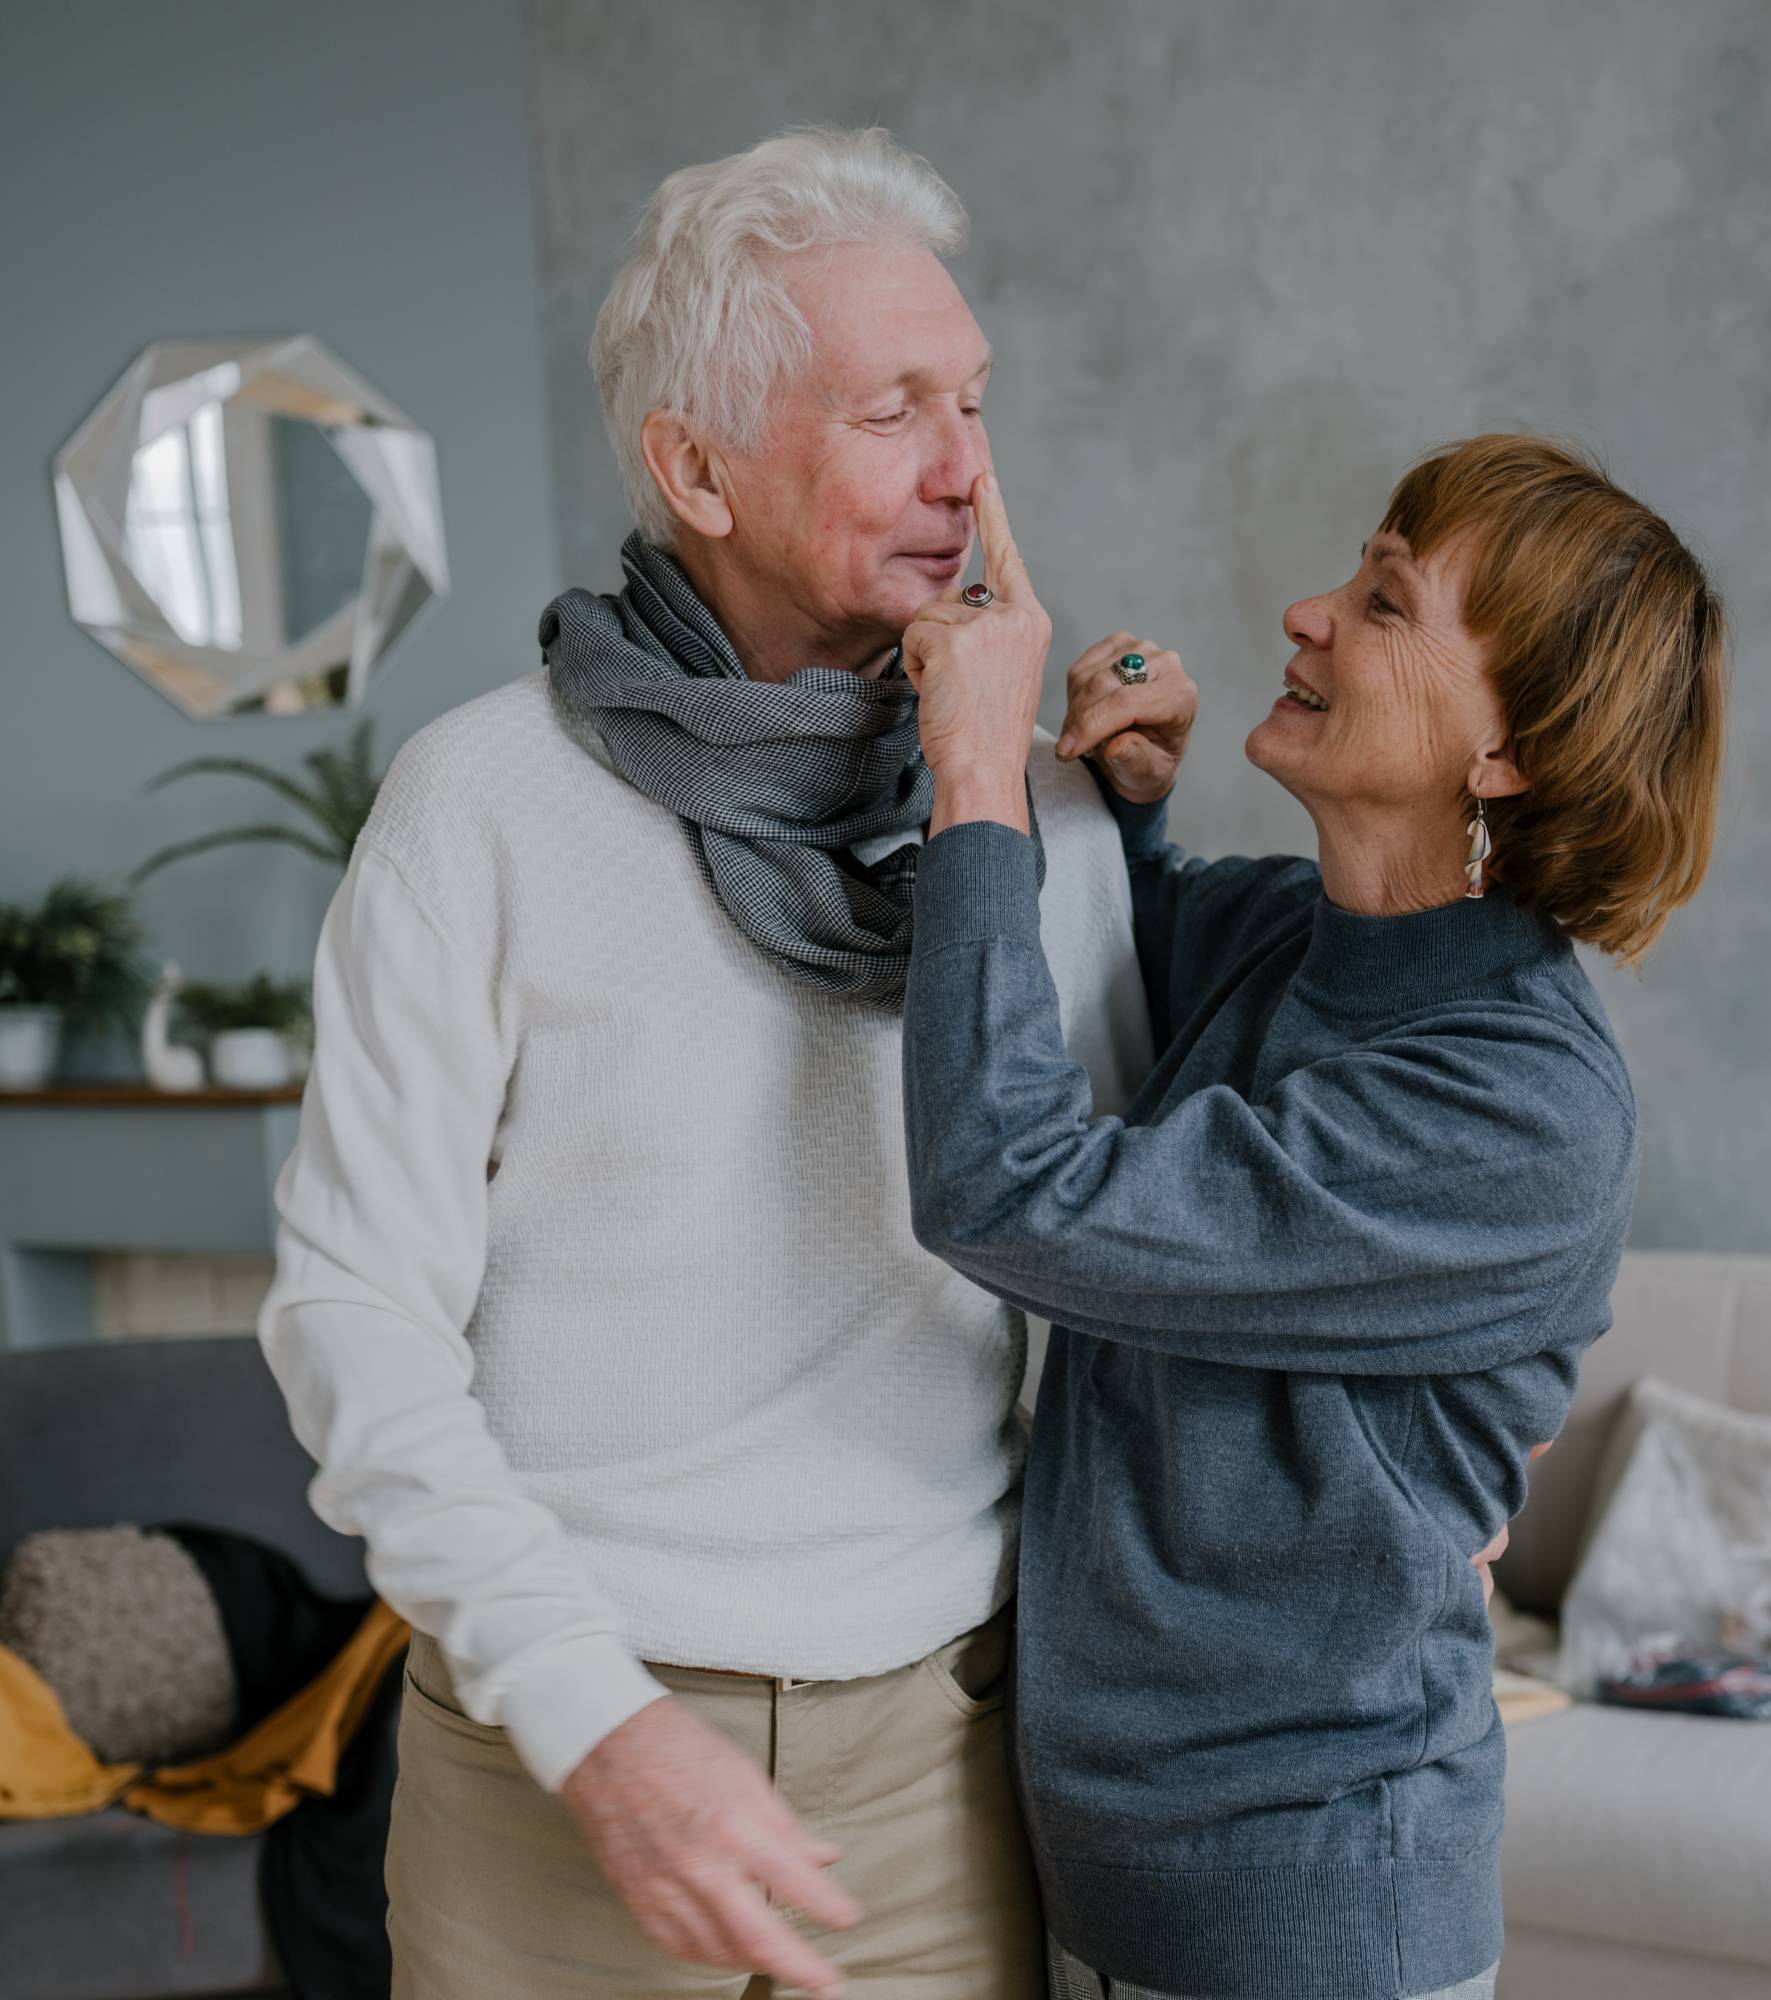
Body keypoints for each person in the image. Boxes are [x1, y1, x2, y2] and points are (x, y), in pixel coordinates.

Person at [256, 128, 1155, 2000]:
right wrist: (595, 1722)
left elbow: (1140, 1256)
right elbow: (355, 1324)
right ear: (694, 466)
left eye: (974, 400)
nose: (968, 468)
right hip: (555, 1767)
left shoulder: (1028, 803)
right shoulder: (479, 808)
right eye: (895, 409)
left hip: (945, 1760)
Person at [897, 438, 1727, 2000]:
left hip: (1308, 1910)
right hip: (1113, 1870)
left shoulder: (1518, 1108)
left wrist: (974, 770)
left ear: (1510, 754)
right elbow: (1107, 960)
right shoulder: (1296, 938)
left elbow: (1010, 1185)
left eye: (1387, 603)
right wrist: (1125, 811)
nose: (1306, 613)